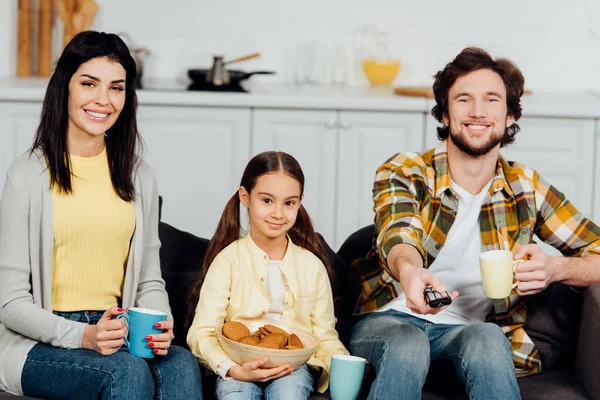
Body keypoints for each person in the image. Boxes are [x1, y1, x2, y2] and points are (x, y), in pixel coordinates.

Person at [349, 47, 600, 399]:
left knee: (488, 338)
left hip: (468, 332)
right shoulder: (406, 170)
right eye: (464, 99)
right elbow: (398, 229)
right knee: (407, 344)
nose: (477, 112)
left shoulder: (526, 187)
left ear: (510, 115)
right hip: (389, 321)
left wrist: (555, 268)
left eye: (492, 100)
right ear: (446, 115)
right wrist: (409, 273)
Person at [0, 31, 202, 399]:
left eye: (116, 87)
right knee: (125, 372)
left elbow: (148, 282)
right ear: (65, 87)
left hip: (116, 330)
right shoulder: (27, 175)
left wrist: (160, 324)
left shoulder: (139, 175)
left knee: (181, 364)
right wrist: (83, 336)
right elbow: (10, 302)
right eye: (89, 83)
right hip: (38, 342)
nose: (103, 100)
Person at [187, 151, 348, 399]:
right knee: (235, 394)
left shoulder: (312, 266)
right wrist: (233, 369)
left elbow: (324, 336)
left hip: (293, 368)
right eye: (267, 201)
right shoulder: (228, 261)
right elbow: (202, 332)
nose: (278, 213)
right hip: (237, 365)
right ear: (245, 197)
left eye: (289, 203)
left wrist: (345, 363)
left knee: (289, 392)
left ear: (300, 202)